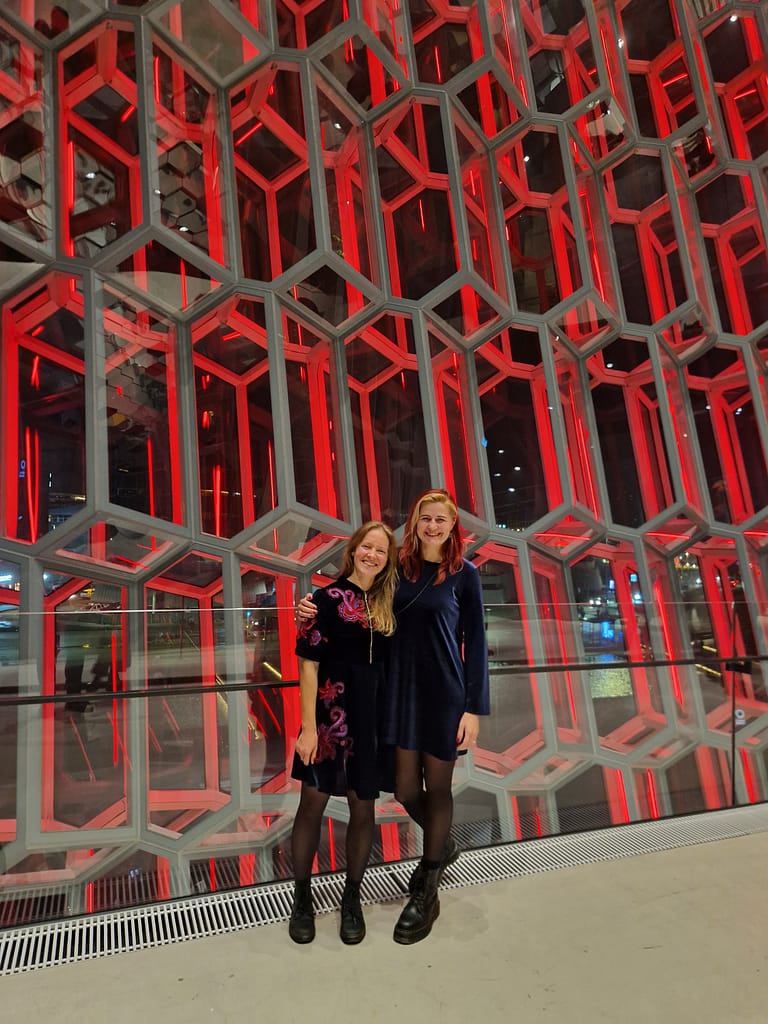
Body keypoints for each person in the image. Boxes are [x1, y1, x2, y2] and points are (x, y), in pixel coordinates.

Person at [298, 489, 489, 944]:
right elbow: (354, 597)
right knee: (404, 790)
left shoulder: (465, 575)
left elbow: (477, 642)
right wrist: (309, 606)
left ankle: (428, 885)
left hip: (444, 694)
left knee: (437, 788)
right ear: (415, 522)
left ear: (453, 525)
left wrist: (473, 708)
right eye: (426, 518)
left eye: (441, 519)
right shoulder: (398, 570)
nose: (433, 526)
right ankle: (443, 843)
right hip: (399, 694)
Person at [288, 521, 398, 945]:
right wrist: (307, 729)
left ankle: (352, 897)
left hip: (372, 721)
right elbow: (308, 664)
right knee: (311, 806)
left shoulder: (391, 602)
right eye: (367, 547)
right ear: (353, 550)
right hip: (328, 717)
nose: (373, 555)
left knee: (363, 809)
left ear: (388, 559)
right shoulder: (323, 599)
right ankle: (302, 897)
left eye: (381, 551)